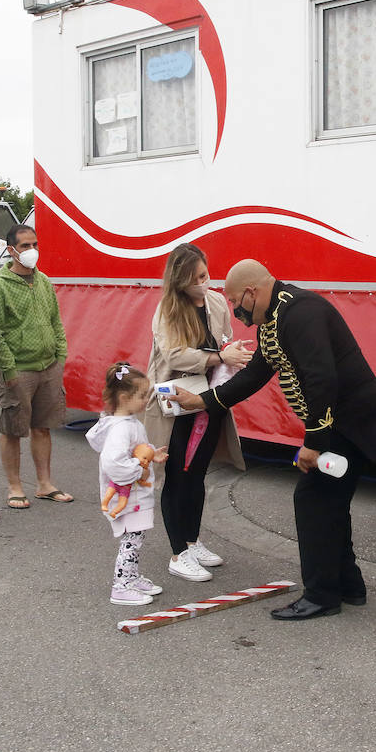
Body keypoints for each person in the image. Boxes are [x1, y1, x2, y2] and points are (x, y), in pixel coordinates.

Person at [169, 259, 376, 620]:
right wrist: (203, 401)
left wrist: (313, 442)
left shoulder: (301, 312)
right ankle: (347, 585)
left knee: (312, 500)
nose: (236, 310)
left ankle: (322, 595)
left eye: (236, 302)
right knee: (329, 502)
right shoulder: (274, 317)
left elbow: (322, 379)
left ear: (252, 291)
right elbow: (257, 374)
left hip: (351, 423)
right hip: (339, 423)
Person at [145, 243, 251, 583]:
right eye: (196, 279)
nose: (204, 283)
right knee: (177, 475)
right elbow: (175, 356)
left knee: (198, 473)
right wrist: (220, 357)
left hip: (211, 399)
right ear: (179, 281)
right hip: (177, 402)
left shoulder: (217, 302)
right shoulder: (167, 310)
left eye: (205, 275)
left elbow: (224, 341)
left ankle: (191, 540)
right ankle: (178, 553)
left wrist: (229, 352)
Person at [0, 225, 71, 510]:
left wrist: (60, 356)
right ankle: (14, 487)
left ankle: (45, 484)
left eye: (34, 244)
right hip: (18, 369)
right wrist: (8, 370)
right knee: (12, 429)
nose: (31, 250)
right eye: (24, 246)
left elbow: (55, 320)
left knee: (43, 427)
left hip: (48, 366)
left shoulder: (44, 280)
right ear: (11, 250)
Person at [86, 363, 168, 607]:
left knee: (136, 538)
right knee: (132, 540)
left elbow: (135, 451)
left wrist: (151, 453)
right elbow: (113, 462)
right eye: (142, 395)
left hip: (134, 494)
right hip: (129, 496)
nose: (146, 400)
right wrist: (139, 468)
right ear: (124, 397)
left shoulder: (127, 422)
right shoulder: (122, 428)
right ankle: (121, 586)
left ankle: (130, 578)